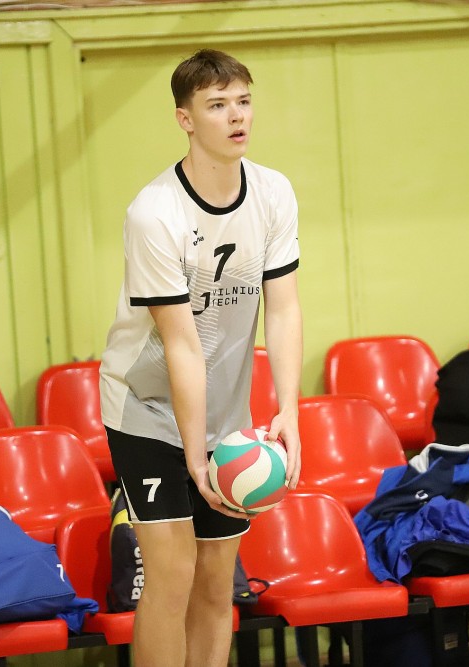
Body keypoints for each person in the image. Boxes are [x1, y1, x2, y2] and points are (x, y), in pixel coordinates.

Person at [99, 48, 303, 667]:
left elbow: (283, 309)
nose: (236, 116)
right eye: (217, 105)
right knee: (172, 575)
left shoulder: (273, 192)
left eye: (243, 101)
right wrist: (194, 456)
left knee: (217, 581)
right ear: (185, 119)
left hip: (224, 415)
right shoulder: (154, 213)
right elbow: (182, 345)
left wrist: (289, 411)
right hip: (146, 408)